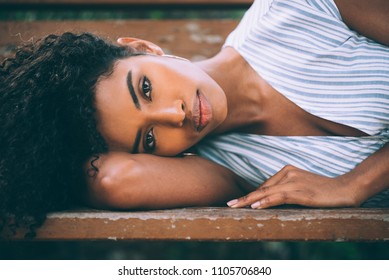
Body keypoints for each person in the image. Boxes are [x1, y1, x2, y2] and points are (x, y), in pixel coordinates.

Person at [1, 0, 388, 231]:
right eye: (148, 139)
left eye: (145, 89)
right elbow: (114, 180)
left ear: (144, 48)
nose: (175, 116)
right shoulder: (230, 168)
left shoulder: (298, 12)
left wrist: (355, 184)